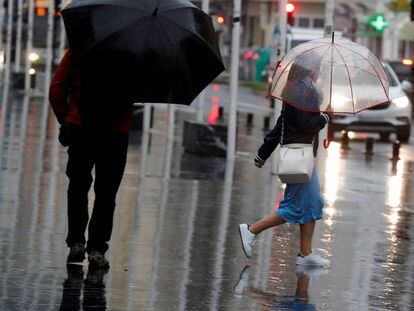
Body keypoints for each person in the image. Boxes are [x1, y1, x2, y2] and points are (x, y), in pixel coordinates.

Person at [238, 57, 331, 266]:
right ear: (309, 69)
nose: (319, 71)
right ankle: (251, 230)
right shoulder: (301, 91)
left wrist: (263, 153)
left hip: (302, 155)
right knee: (294, 207)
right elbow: (303, 123)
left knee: (313, 202)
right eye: (318, 67)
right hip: (298, 155)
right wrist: (322, 119)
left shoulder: (304, 89)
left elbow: (282, 123)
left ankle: (305, 254)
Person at [49, 49, 133, 269]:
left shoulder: (79, 49)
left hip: (80, 127)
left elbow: (56, 89)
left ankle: (76, 242)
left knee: (77, 185)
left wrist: (66, 119)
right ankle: (96, 250)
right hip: (116, 132)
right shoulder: (132, 53)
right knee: (107, 192)